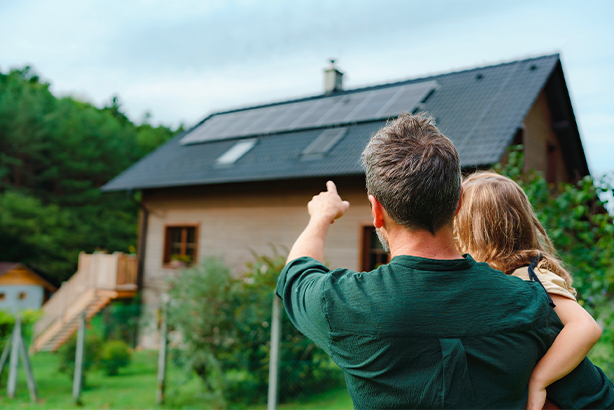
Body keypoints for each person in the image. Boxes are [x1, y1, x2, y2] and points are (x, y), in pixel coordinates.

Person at [275, 113, 614, 409]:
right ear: (457, 203)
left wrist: (321, 216)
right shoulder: (528, 303)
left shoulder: (343, 304)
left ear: (376, 210)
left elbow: (296, 272)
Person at [454, 171, 604, 410]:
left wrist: (538, 381)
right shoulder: (504, 277)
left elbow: (586, 328)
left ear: (475, 232)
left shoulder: (531, 276)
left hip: (589, 402)